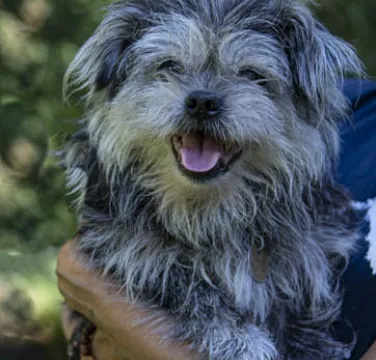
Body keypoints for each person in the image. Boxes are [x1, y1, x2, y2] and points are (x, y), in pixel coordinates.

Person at [57, 79, 376, 360]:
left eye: (249, 75)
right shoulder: (343, 105)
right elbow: (78, 280)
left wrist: (111, 309)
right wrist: (86, 333)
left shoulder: (309, 112)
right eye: (171, 66)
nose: (204, 96)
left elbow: (87, 284)